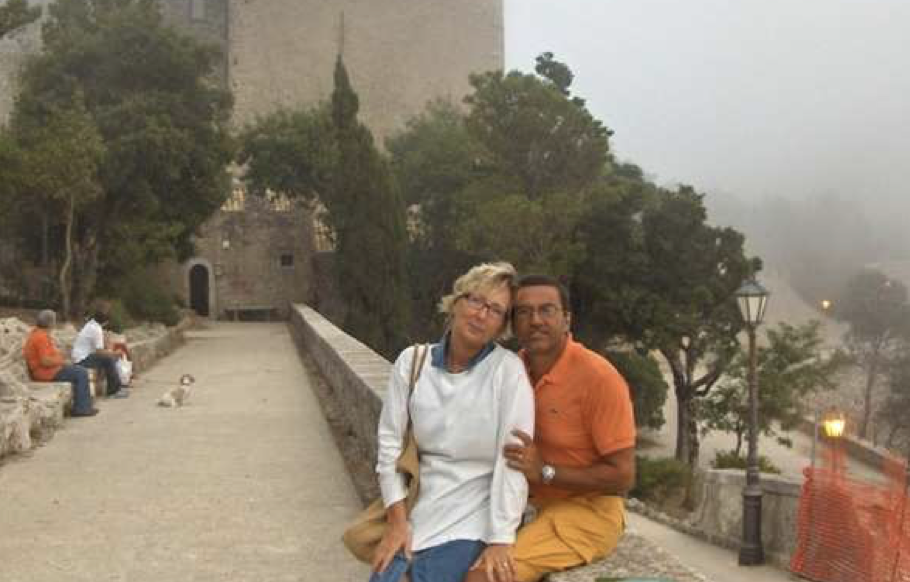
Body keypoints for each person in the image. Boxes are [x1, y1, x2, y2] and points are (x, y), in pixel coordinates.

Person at [370, 262, 535, 582]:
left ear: (502, 326)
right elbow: (389, 446)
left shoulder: (507, 372)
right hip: (418, 511)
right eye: (476, 300)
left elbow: (513, 460)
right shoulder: (412, 362)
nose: (481, 314)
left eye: (495, 310)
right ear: (456, 302)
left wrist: (501, 538)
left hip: (474, 519)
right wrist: (396, 522)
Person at [465, 274, 636, 582]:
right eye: (524, 312)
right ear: (513, 323)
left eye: (547, 310)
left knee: (485, 576)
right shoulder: (510, 370)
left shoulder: (598, 378)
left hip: (586, 511)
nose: (535, 321)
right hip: (522, 503)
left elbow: (623, 476)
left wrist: (545, 471)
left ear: (566, 319)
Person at [23, 309, 98, 417]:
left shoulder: (38, 333)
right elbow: (45, 361)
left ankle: (84, 406)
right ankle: (82, 409)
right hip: (46, 373)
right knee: (81, 373)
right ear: (50, 323)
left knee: (78, 370)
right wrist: (63, 362)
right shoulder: (40, 337)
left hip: (49, 370)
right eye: (54, 321)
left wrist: (61, 359)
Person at [71, 300, 128, 398]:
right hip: (82, 360)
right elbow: (100, 351)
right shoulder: (96, 329)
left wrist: (109, 347)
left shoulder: (90, 325)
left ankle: (117, 386)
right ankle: (113, 391)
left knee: (109, 358)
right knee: (109, 359)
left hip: (81, 357)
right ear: (105, 322)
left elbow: (101, 347)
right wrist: (114, 353)